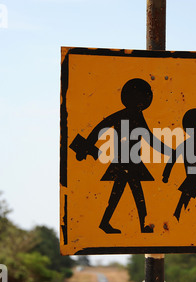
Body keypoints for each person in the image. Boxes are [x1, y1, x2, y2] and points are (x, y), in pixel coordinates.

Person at [70, 78, 173, 234]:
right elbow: (102, 128)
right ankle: (133, 225)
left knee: (125, 196)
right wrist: (86, 148)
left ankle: (112, 223)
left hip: (129, 162)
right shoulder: (131, 115)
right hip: (125, 162)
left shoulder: (134, 115)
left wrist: (170, 152)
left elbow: (148, 138)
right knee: (131, 196)